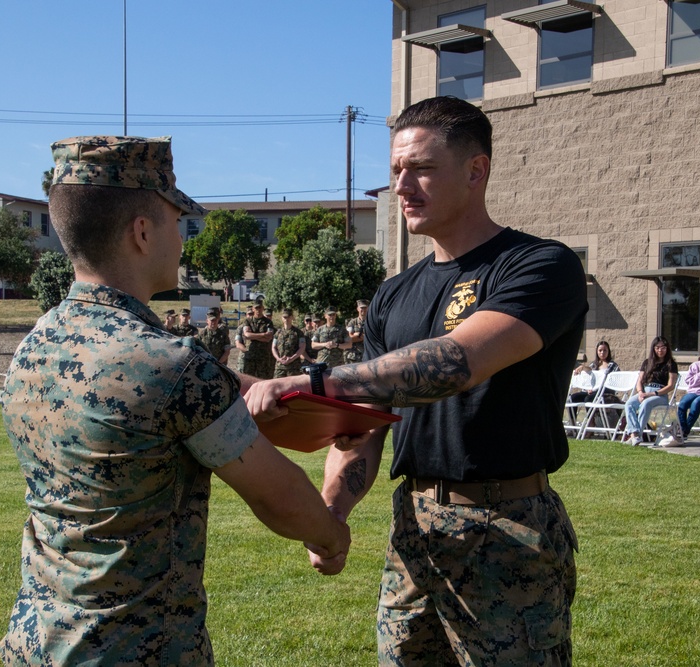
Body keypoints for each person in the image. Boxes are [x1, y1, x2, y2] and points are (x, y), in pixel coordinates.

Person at [246, 96, 587, 665]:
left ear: (476, 170)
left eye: (422, 168)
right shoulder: (394, 294)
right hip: (416, 528)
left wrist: (318, 384)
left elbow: (458, 362)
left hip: (510, 529)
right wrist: (331, 513)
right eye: (396, 171)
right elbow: (364, 429)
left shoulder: (539, 265)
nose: (403, 186)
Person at [0, 135, 349, 665]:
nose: (182, 240)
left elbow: (155, 382)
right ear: (142, 232)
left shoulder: (36, 343)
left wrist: (267, 389)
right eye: (176, 222)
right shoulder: (170, 365)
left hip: (36, 639)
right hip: (136, 649)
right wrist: (330, 536)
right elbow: (279, 497)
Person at [623, 336, 678, 446]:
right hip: (644, 391)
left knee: (646, 403)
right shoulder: (647, 362)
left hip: (660, 394)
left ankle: (638, 435)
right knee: (629, 404)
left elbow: (671, 385)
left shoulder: (671, 364)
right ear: (653, 349)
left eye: (663, 347)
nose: (660, 350)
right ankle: (634, 434)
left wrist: (652, 394)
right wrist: (640, 392)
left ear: (667, 349)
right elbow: (640, 381)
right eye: (657, 348)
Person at [568, 340, 620, 424]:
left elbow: (614, 382)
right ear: (597, 351)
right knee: (573, 398)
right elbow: (589, 371)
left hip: (605, 392)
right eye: (600, 350)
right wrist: (582, 367)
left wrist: (597, 389)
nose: (602, 352)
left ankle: (591, 423)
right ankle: (572, 423)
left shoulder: (613, 365)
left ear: (608, 351)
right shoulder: (594, 365)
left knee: (588, 398)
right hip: (592, 391)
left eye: (605, 350)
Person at [237, 297, 276, 379]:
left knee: (263, 380)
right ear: (253, 309)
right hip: (250, 356)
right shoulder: (247, 321)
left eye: (260, 308)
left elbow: (268, 338)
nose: (258, 310)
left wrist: (253, 336)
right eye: (256, 308)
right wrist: (263, 335)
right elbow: (247, 335)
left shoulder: (268, 322)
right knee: (249, 379)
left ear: (263, 308)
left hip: (263, 356)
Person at [272, 308, 306, 378]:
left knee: (294, 388)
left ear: (292, 317)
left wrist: (292, 358)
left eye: (288, 317)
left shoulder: (298, 333)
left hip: (293, 367)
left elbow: (302, 347)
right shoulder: (278, 333)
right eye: (284, 317)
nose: (286, 319)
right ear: (282, 318)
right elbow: (273, 347)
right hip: (280, 367)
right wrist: (278, 359)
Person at [344, 299, 368, 365]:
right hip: (355, 356)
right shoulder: (352, 322)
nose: (363, 309)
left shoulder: (372, 322)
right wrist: (364, 337)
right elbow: (349, 339)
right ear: (357, 309)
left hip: (368, 354)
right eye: (361, 308)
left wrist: (357, 335)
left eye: (365, 307)